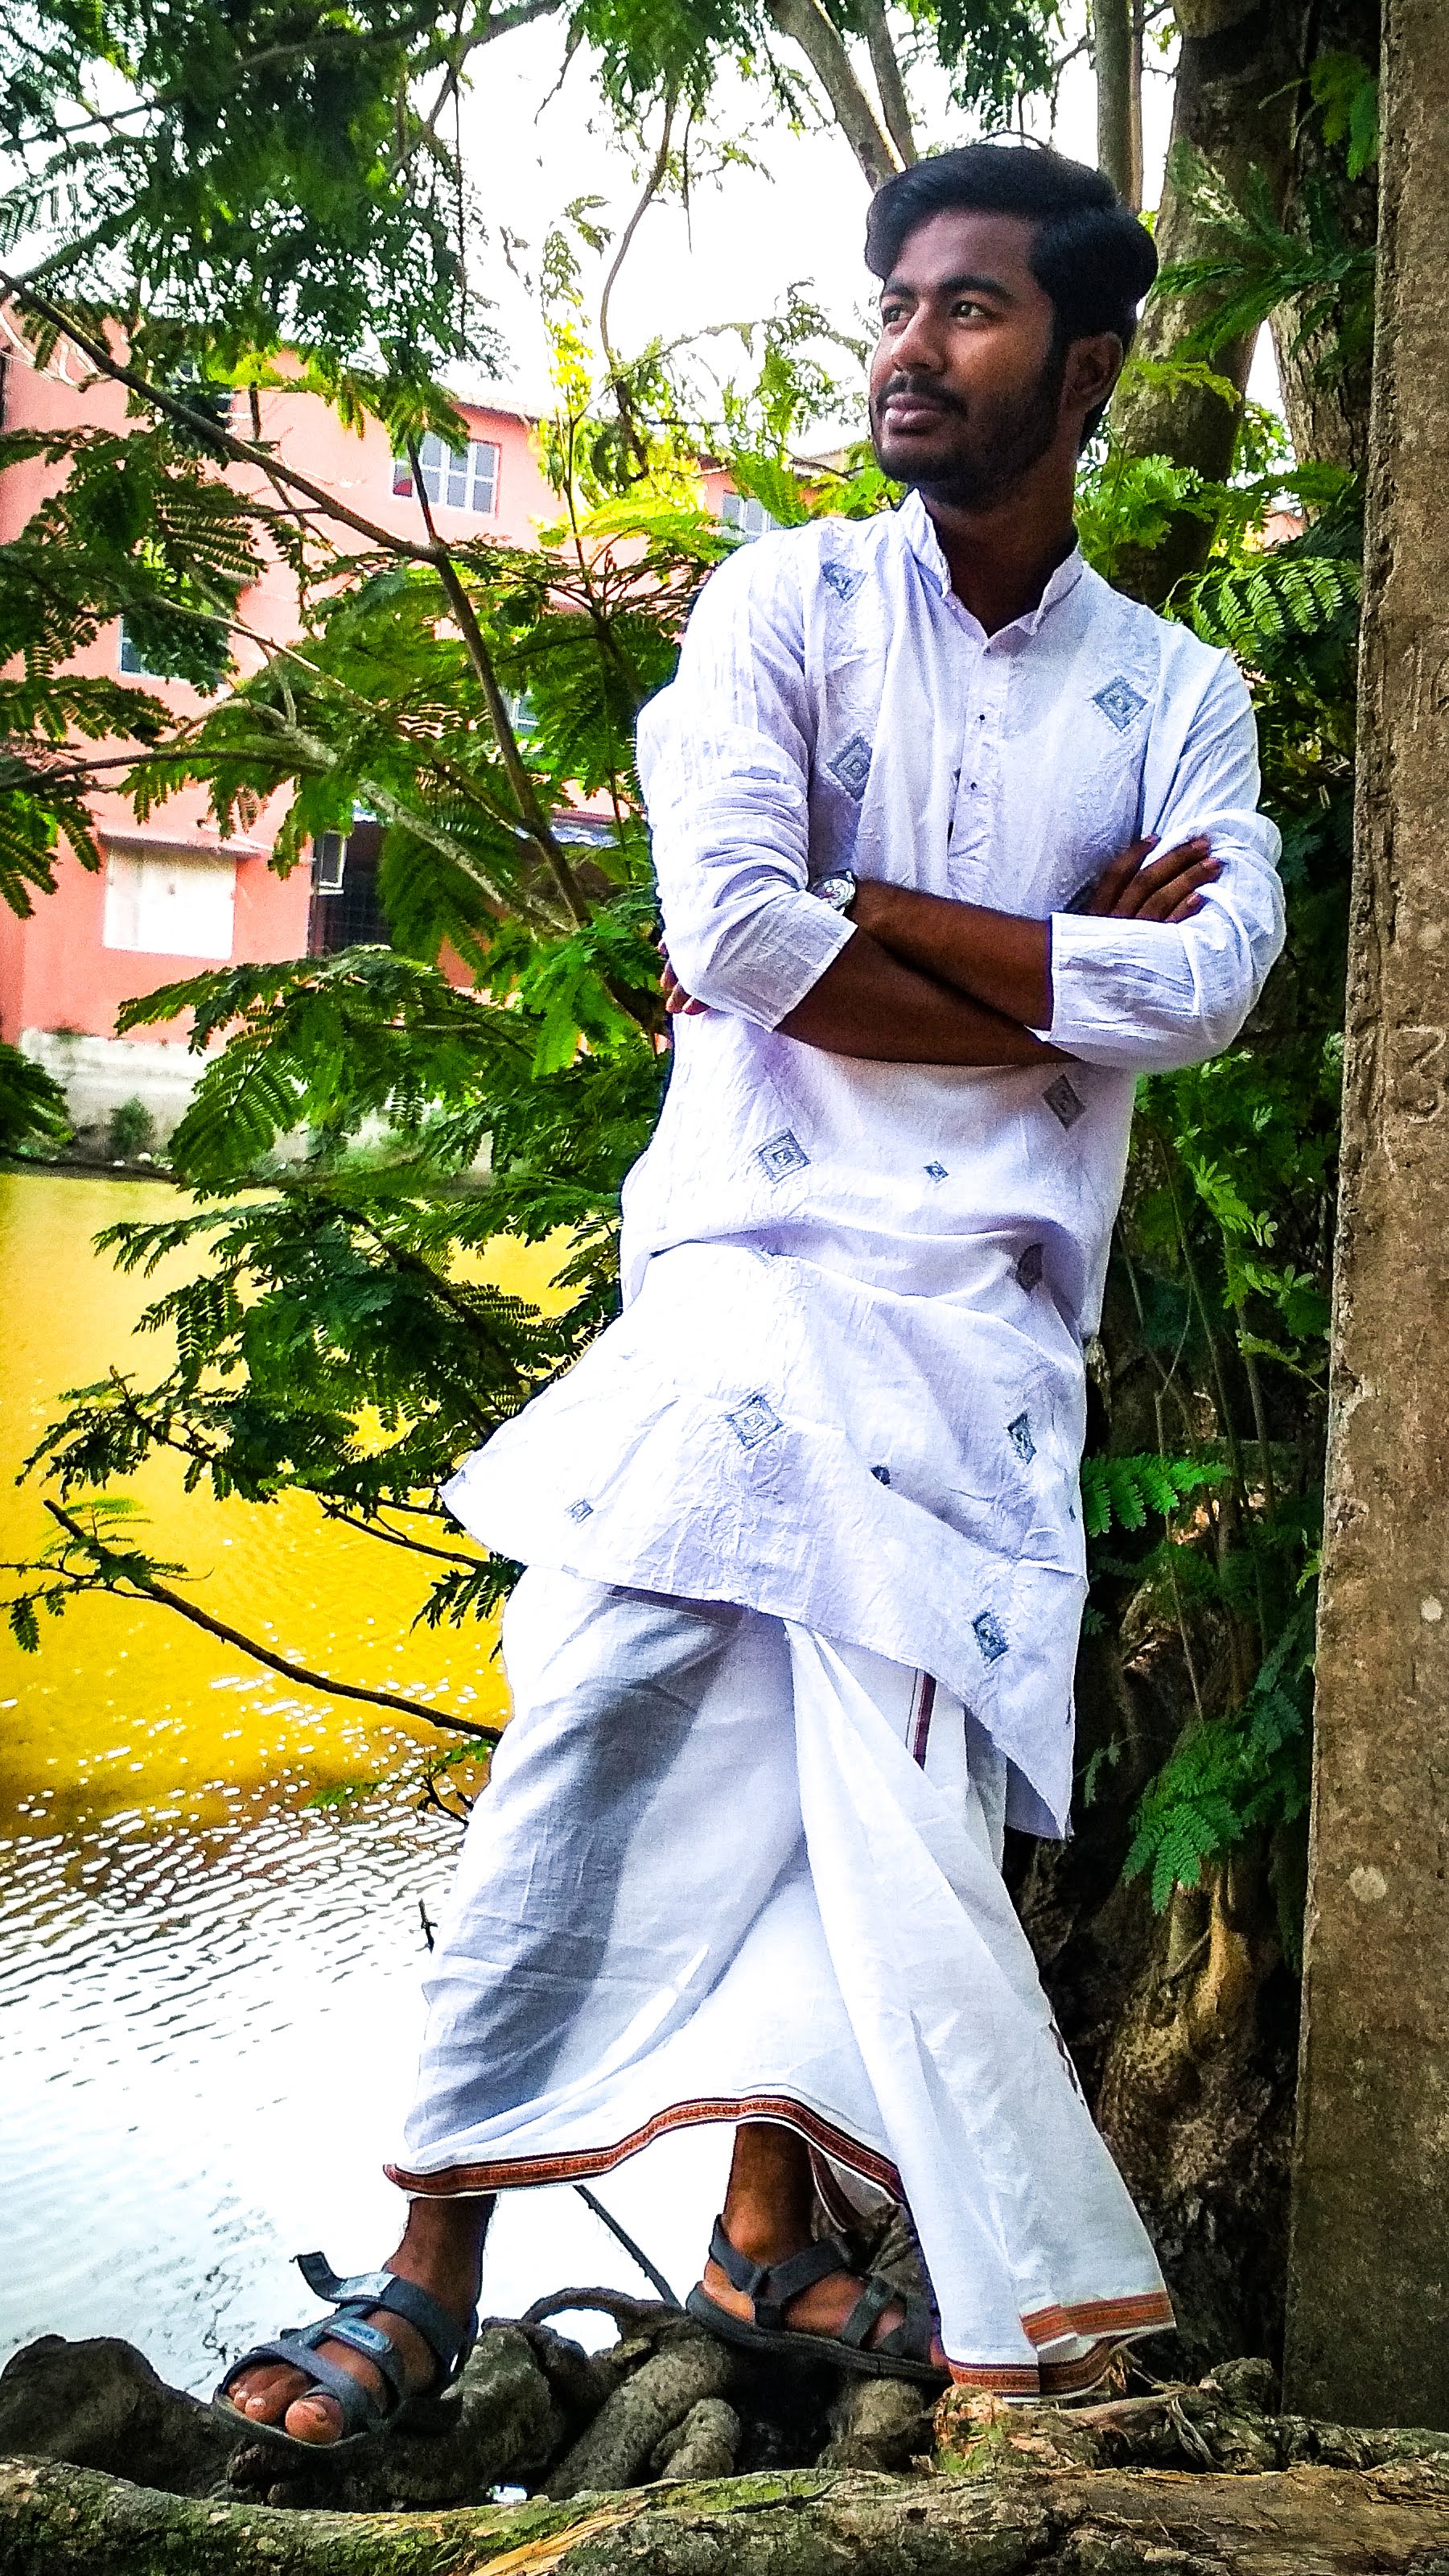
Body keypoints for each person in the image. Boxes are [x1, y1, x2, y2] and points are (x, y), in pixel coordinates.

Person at [218, 142, 1285, 2450]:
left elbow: (1203, 985)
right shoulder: (782, 604)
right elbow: (729, 931)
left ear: (1088, 366)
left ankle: (763, 2232)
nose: (909, 346)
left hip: (984, 1322)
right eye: (894, 303)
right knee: (602, 1707)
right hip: (754, 1260)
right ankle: (426, 2261)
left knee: (875, 1790)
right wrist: (1042, 967)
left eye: (969, 308)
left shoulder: (1171, 694)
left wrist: (875, 918)